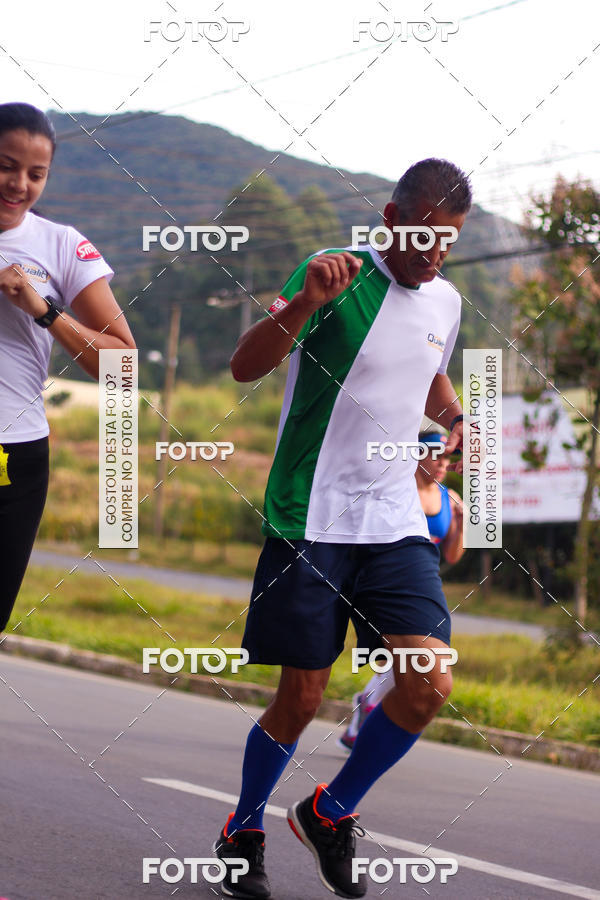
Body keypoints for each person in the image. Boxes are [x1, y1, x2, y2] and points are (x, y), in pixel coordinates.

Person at [215, 158, 470, 899]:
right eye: (423, 235)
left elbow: (425, 368)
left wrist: (453, 416)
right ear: (391, 220)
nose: (434, 253)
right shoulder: (333, 273)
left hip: (393, 522)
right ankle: (243, 830)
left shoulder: (446, 301)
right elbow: (243, 364)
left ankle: (330, 812)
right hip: (312, 517)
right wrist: (300, 307)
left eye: (448, 240)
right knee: (301, 699)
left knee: (429, 682)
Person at [0, 102, 136, 634]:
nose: (19, 185)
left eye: (36, 174)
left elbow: (122, 364)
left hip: (14, 452)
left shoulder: (60, 244)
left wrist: (44, 310)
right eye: (6, 165)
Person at [338, 431, 465, 752]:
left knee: (414, 658)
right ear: (415, 453)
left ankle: (366, 704)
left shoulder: (449, 498)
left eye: (447, 457)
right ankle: (367, 707)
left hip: (421, 584)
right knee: (405, 655)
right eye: (435, 455)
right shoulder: (397, 489)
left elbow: (452, 555)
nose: (442, 463)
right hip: (383, 577)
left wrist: (462, 525)